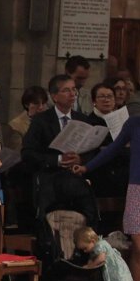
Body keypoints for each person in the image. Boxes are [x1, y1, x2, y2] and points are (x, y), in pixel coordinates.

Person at [75, 113, 140, 281]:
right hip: (138, 189)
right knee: (139, 248)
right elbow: (113, 149)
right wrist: (87, 167)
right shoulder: (135, 123)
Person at [22, 74, 100, 224]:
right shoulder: (41, 120)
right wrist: (57, 160)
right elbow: (28, 153)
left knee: (90, 211)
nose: (72, 94)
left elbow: (92, 151)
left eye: (74, 90)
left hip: (75, 178)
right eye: (66, 91)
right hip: (50, 178)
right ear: (54, 96)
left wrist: (81, 160)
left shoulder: (82, 119)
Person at [5, 85, 48, 150]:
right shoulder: (16, 126)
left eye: (43, 103)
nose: (41, 107)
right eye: (36, 103)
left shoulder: (50, 121)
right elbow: (17, 152)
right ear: (27, 104)